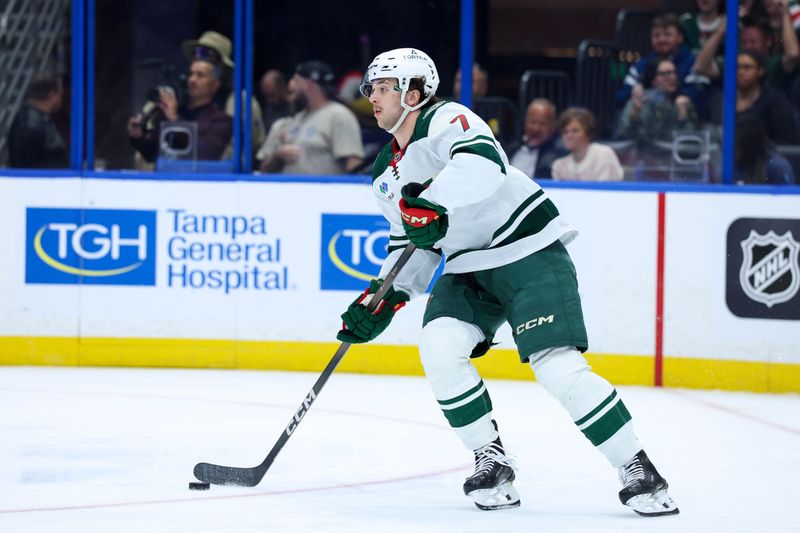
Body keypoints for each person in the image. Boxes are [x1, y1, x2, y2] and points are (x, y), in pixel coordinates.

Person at [337, 47, 679, 516]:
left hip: (528, 249)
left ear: (414, 93)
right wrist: (384, 296)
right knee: (438, 346)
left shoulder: (447, 119)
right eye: (369, 88)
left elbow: (483, 164)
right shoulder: (384, 175)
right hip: (466, 266)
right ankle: (490, 459)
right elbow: (410, 244)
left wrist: (432, 203)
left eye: (382, 88)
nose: (371, 97)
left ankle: (637, 466)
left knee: (556, 367)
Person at [257, 60, 364, 174]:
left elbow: (354, 164)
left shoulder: (339, 115)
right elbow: (263, 171)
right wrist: (278, 156)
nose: (290, 85)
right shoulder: (297, 119)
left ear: (309, 84)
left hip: (326, 191)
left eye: (296, 80)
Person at [127, 59, 233, 162]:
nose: (192, 80)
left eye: (200, 75)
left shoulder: (221, 120)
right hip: (164, 177)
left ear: (215, 85)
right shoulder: (176, 110)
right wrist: (138, 137)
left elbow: (203, 154)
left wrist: (175, 120)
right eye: (190, 74)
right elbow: (152, 155)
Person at [181, 31, 266, 158]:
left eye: (207, 55)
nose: (200, 59)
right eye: (197, 54)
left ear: (221, 66)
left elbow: (253, 145)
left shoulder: (241, 103)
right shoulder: (184, 100)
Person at [617, 14, 708, 117]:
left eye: (667, 34)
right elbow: (620, 99)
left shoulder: (693, 63)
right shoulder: (641, 65)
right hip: (647, 126)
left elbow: (702, 97)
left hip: (686, 126)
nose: (661, 39)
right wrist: (634, 91)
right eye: (656, 35)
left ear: (680, 37)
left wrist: (671, 92)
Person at [617, 58, 700, 143]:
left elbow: (691, 143)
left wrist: (683, 116)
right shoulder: (639, 102)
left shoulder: (682, 103)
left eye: (674, 72)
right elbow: (626, 139)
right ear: (653, 80)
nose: (673, 77)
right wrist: (635, 113)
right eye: (666, 74)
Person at [8, 71, 68, 168]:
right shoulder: (30, 125)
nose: (61, 101)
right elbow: (24, 168)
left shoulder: (38, 120)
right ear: (52, 95)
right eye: (60, 95)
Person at [736, 50, 798, 143]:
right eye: (737, 67)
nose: (740, 72)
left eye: (747, 67)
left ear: (760, 71)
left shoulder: (775, 102)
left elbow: (787, 141)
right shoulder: (723, 99)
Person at [552, 108, 623, 181]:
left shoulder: (603, 154)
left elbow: (606, 189)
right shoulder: (559, 165)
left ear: (588, 133)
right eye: (565, 132)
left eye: (575, 131)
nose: (569, 136)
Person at [507, 98, 567, 180]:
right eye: (532, 122)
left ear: (553, 126)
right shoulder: (511, 149)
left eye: (542, 124)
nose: (536, 128)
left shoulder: (560, 155)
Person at [734, 112, 797, 184]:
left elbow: (787, 193)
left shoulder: (778, 168)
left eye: (735, 148)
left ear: (748, 149)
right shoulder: (730, 166)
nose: (731, 152)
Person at [258, 69, 291, 136]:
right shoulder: (268, 108)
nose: (269, 100)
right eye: (266, 96)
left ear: (281, 88)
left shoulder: (295, 108)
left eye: (271, 95)